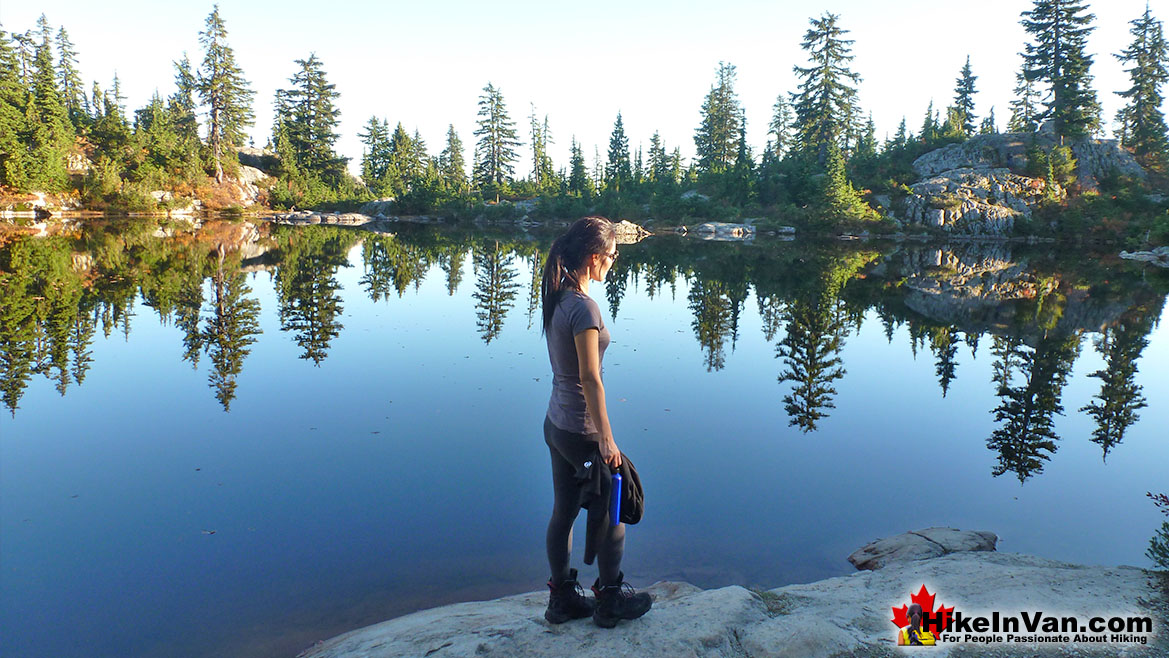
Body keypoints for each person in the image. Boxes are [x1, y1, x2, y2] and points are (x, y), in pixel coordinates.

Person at [539, 216, 652, 628]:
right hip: (582, 430)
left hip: (556, 425)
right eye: (611, 254)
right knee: (612, 512)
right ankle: (609, 601)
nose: (614, 260)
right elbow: (590, 377)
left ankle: (562, 600)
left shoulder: (558, 295)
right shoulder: (585, 308)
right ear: (592, 257)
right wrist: (606, 440)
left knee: (564, 511)